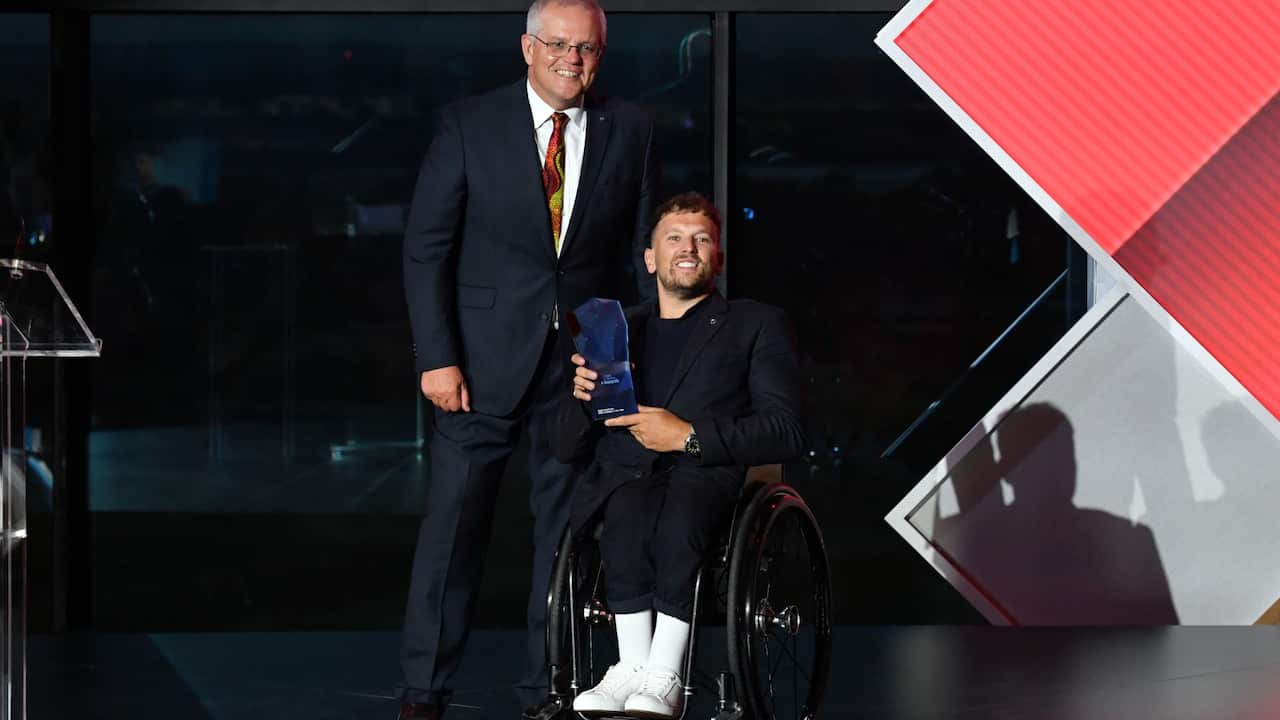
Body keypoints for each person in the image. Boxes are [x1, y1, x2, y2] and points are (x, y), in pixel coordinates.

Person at [398, 0, 659, 717]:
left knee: (567, 538)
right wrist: (437, 357)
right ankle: (424, 689)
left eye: (587, 48)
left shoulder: (630, 128)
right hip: (476, 367)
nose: (572, 59)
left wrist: (631, 357)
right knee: (452, 534)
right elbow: (426, 249)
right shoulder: (468, 124)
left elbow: (640, 254)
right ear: (527, 47)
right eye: (558, 45)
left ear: (601, 54)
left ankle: (548, 689)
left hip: (581, 368)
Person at [554, 191, 806, 718]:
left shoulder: (755, 324)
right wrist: (581, 399)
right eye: (674, 238)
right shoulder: (616, 329)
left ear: (718, 257)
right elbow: (563, 445)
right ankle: (632, 667)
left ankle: (665, 673)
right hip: (628, 474)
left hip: (705, 471)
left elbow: (785, 430)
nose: (687, 248)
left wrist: (689, 436)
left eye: (701, 239)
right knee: (623, 512)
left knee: (679, 517)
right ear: (651, 259)